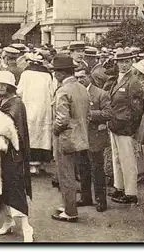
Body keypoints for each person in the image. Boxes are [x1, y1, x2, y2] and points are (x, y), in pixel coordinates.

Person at [0, 71, 33, 242]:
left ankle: (27, 226)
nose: (1, 87)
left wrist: (0, 132)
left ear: (11, 86)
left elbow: (17, 131)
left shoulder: (17, 104)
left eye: (4, 84)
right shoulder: (0, 102)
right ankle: (7, 221)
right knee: (0, 188)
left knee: (16, 188)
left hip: (13, 154)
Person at [50, 55, 90, 222]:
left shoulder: (63, 91)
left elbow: (62, 119)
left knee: (65, 175)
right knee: (72, 173)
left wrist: (54, 130)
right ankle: (68, 204)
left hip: (66, 138)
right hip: (81, 135)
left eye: (55, 72)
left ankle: (70, 211)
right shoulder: (81, 87)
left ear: (60, 74)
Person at [107, 49, 144, 204]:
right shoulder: (117, 78)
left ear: (131, 62)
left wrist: (132, 128)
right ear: (116, 63)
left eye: (127, 61)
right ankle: (119, 187)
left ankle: (130, 193)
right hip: (115, 124)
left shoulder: (133, 81)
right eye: (121, 62)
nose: (124, 64)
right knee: (116, 158)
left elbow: (137, 109)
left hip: (125, 126)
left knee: (127, 160)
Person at [75, 68, 112, 212]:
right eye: (77, 78)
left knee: (97, 169)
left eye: (82, 77)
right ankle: (86, 197)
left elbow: (108, 113)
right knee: (82, 168)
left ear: (89, 77)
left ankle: (101, 201)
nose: (80, 80)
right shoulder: (76, 92)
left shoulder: (100, 93)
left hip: (95, 137)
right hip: (80, 136)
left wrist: (90, 114)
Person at [17, 53, 54, 174]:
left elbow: (20, 91)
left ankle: (31, 164)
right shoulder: (47, 75)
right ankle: (41, 163)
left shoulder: (26, 74)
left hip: (29, 108)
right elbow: (52, 92)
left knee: (30, 134)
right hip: (44, 110)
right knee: (43, 135)